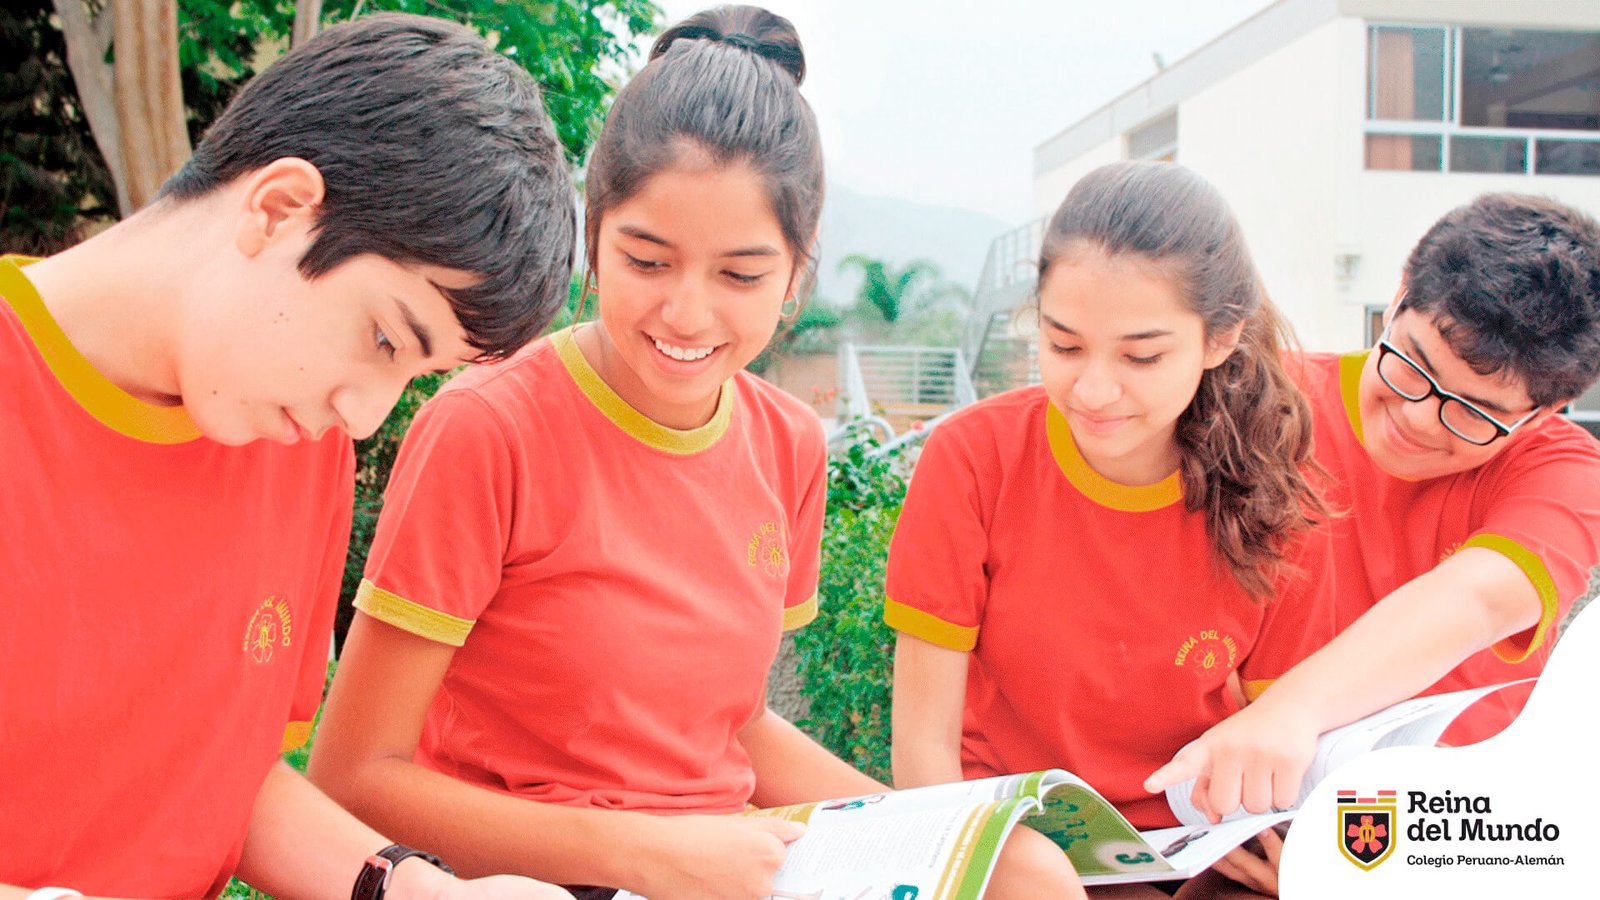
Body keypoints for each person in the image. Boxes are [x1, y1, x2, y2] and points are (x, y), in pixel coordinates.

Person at [307, 8, 1078, 899]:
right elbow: (354, 773)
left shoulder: (787, 444)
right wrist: (643, 852)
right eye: (647, 261)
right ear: (592, 238)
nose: (687, 314)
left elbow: (737, 723)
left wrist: (925, 835)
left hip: (721, 859)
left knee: (1026, 875)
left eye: (740, 275)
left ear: (796, 275)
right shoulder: (490, 428)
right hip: (543, 878)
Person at [0, 14, 575, 899]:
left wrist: (432, 894)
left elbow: (224, 778)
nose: (366, 417)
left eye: (418, 377)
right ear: (276, 209)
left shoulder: (301, 454)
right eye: (385, 337)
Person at [886, 161, 1328, 896]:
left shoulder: (1273, 489)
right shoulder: (975, 459)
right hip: (1011, 841)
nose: (1092, 391)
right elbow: (924, 748)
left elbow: (1279, 731)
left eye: (1141, 356)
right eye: (1063, 346)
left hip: (1195, 844)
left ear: (1221, 338)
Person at [1148, 192, 1600, 823]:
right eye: (1412, 364)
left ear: (1542, 414)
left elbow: (1479, 599)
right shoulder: (1258, 401)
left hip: (1452, 833)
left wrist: (1292, 711)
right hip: (1236, 815)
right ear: (1398, 296)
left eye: (1474, 411)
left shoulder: (1562, 470)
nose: (1418, 418)